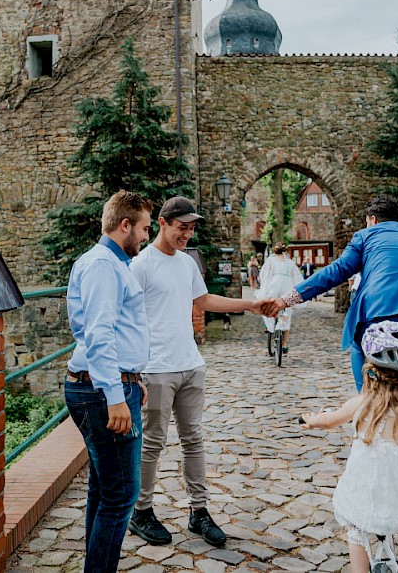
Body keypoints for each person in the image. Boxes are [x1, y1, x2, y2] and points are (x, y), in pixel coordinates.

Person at [128, 196, 262, 547]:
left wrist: (250, 304)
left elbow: (205, 302)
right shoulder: (140, 265)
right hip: (156, 369)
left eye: (190, 228)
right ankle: (141, 512)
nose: (186, 234)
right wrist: (134, 369)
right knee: (153, 443)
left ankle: (198, 512)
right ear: (162, 223)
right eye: (181, 227)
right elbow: (126, 319)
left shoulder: (187, 264)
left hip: (190, 365)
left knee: (193, 440)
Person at [301, 322, 398, 573]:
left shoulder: (360, 402)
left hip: (366, 478)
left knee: (357, 529)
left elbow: (328, 420)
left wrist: (311, 419)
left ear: (370, 370)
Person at [262, 194, 398, 392]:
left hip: (376, 316)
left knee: (359, 347)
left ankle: (365, 398)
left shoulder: (365, 236)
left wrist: (286, 299)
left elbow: (336, 272)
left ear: (372, 220)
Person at [65, 190, 153, 573]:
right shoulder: (104, 265)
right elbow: (99, 334)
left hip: (109, 382)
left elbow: (116, 331)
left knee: (103, 489)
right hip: (102, 390)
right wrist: (116, 394)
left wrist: (134, 377)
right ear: (125, 225)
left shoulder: (109, 263)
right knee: (121, 497)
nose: (146, 237)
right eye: (145, 228)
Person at [257, 242, 304, 355]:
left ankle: (269, 325)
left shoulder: (271, 260)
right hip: (287, 286)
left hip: (274, 285)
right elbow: (296, 276)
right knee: (287, 311)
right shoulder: (289, 262)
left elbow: (264, 274)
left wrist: (264, 287)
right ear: (285, 251)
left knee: (269, 304)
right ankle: (284, 344)